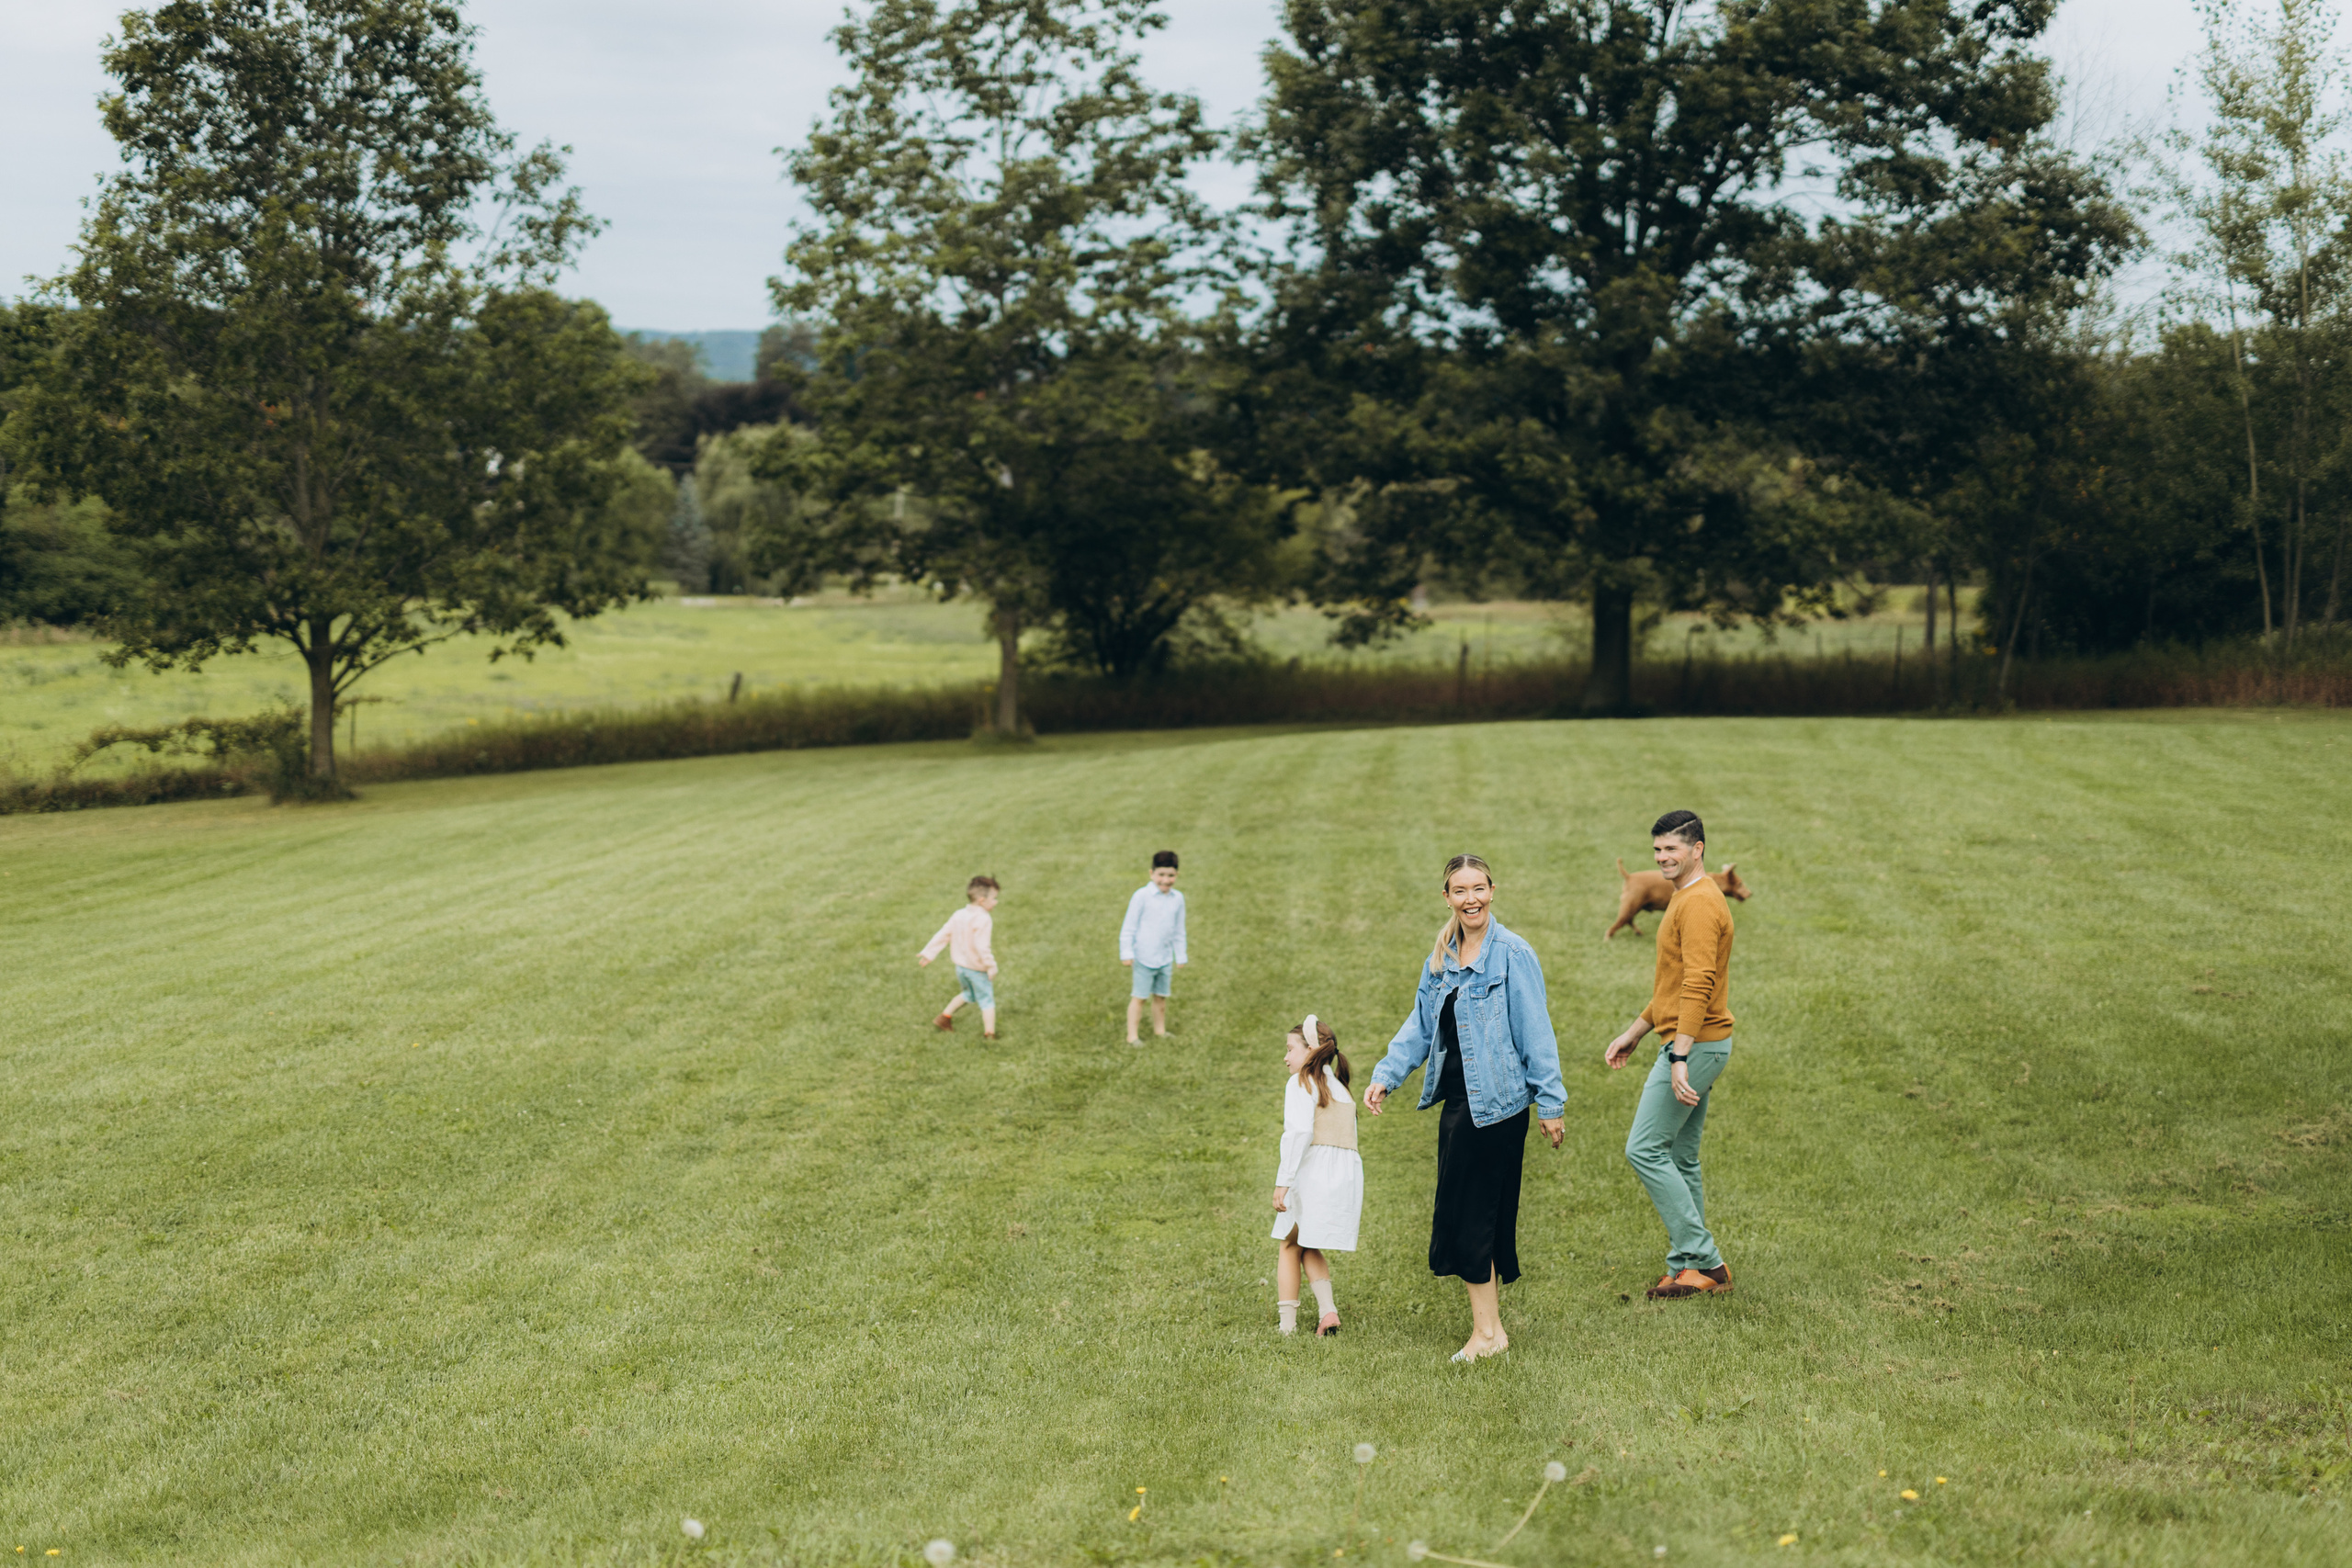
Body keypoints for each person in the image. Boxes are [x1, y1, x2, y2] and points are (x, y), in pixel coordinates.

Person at [1366, 854, 1566, 1362]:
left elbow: (1536, 1032)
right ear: (1447, 897)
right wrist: (1386, 1075)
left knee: (1474, 1219)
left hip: (1497, 1108)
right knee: (1470, 1217)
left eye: (1479, 888)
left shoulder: (1512, 955)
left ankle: (1485, 1336)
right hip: (1459, 1105)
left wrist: (1551, 1102)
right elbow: (1419, 1026)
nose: (1471, 898)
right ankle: (1492, 1332)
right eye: (1460, 890)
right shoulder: (1442, 957)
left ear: (1493, 891)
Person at [1604, 810, 1736, 1299]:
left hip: (1696, 1045)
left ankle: (1706, 1260)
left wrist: (1678, 1056)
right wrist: (1637, 1031)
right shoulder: (1685, 897)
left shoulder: (1700, 904)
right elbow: (1673, 983)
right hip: (1696, 1040)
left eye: (1672, 850)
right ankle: (1688, 1265)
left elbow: (1699, 982)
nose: (1662, 858)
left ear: (1697, 849)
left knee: (1644, 1148)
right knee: (1680, 1156)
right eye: (1657, 850)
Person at [1271, 1012, 1363, 1337]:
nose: (1285, 1057)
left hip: (1313, 1176)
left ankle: (1286, 1327)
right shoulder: (1339, 1087)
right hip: (1341, 1180)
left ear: (1311, 1050)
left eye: (1290, 1049)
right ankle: (1328, 1313)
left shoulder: (1301, 1082)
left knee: (1288, 1245)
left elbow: (1298, 1133)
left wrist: (1284, 1181)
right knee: (1307, 1243)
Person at [918, 875, 1001, 1040]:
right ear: (982, 900)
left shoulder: (959, 914)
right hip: (977, 969)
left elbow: (944, 933)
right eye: (994, 899)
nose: (996, 902)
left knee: (969, 994)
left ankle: (944, 1018)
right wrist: (991, 966)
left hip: (961, 968)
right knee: (987, 1000)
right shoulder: (983, 919)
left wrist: (929, 952)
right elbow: (982, 947)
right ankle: (990, 1034)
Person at [1118, 850, 1187, 1045]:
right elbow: (1128, 926)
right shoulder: (1141, 896)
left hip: (1164, 957)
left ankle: (1160, 1030)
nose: (1166, 880)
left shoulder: (1177, 899)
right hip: (1143, 957)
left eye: (1171, 875)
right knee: (1139, 997)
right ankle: (1132, 1036)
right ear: (1152, 873)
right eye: (1161, 875)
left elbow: (1179, 929)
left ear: (1177, 875)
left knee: (1161, 997)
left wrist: (1180, 955)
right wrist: (1127, 952)